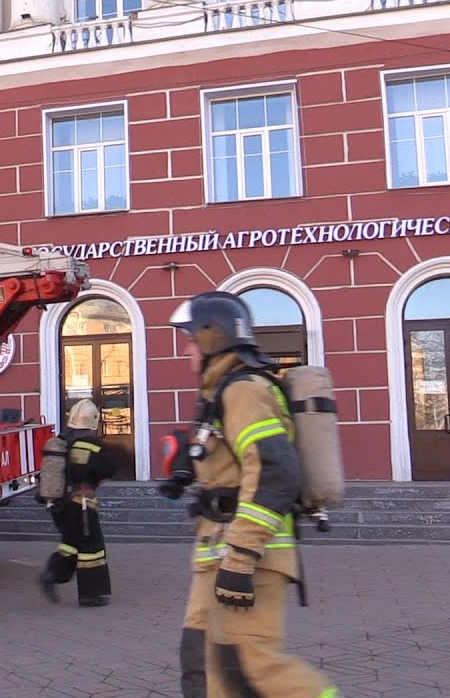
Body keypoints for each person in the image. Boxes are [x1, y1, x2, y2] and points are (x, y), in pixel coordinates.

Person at [169, 291, 338, 698]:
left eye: (191, 339)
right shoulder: (223, 391)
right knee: (202, 660)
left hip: (248, 558)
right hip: (216, 554)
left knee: (250, 665)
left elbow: (274, 471)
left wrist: (241, 557)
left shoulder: (243, 390)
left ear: (213, 337)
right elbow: (235, 462)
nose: (187, 349)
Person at [37, 398, 116, 607]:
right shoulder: (93, 444)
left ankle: (52, 574)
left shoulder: (61, 441)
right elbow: (108, 469)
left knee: (72, 542)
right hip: (82, 505)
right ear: (93, 421)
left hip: (59, 504)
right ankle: (90, 595)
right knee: (92, 548)